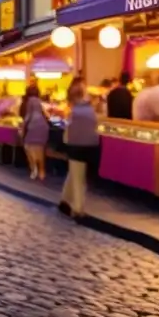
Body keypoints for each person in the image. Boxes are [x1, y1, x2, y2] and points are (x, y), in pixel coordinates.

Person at [60, 82, 100, 218]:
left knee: (78, 178)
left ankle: (77, 209)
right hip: (91, 145)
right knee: (75, 173)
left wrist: (65, 143)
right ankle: (64, 200)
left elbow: (68, 130)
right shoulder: (91, 109)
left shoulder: (73, 112)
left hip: (76, 146)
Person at [21, 87, 50, 180]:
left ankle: (33, 169)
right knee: (40, 149)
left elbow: (28, 115)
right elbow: (47, 115)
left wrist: (22, 126)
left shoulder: (30, 101)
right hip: (43, 127)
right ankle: (42, 172)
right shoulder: (40, 102)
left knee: (27, 146)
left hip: (33, 127)